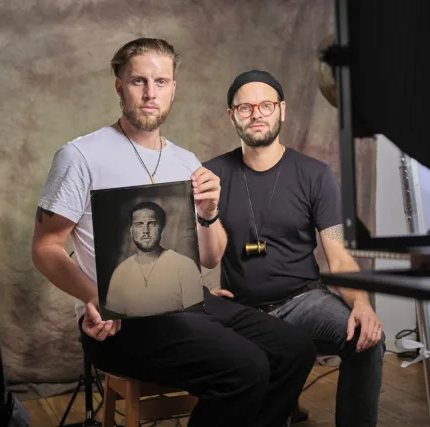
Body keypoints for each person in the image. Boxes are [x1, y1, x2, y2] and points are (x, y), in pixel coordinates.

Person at [31, 40, 316, 427]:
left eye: (161, 81)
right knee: (246, 367)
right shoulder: (81, 156)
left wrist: (210, 213)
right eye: (139, 81)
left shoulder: (186, 161)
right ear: (119, 86)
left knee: (295, 348)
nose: (151, 93)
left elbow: (211, 257)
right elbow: (46, 247)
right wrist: (93, 295)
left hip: (187, 300)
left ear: (173, 88)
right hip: (120, 319)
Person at [203, 70, 385, 427]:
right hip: (241, 309)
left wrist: (362, 303)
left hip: (303, 301)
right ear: (232, 116)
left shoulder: (316, 174)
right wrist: (202, 292)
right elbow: (193, 251)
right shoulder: (212, 175)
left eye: (266, 105)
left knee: (368, 340)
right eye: (245, 107)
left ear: (282, 110)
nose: (256, 114)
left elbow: (338, 255)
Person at [103, 201, 203, 317]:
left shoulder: (185, 265)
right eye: (139, 224)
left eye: (152, 224)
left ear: (162, 229)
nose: (145, 231)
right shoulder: (120, 272)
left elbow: (196, 318)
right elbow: (114, 322)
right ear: (131, 231)